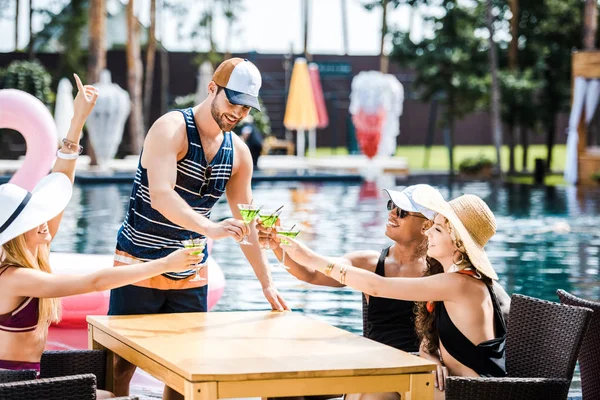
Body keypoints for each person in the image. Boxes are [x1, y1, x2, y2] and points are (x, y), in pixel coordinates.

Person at [0, 75, 204, 400]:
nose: (43, 223)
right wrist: (166, 263)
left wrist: (77, 120)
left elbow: (61, 185)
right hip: (16, 391)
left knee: (114, 393)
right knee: (120, 399)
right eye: (33, 219)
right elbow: (96, 282)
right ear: (14, 235)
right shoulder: (15, 277)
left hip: (33, 380)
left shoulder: (34, 248)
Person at [109, 58, 289, 400]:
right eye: (232, 101)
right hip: (139, 261)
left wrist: (267, 283)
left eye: (246, 107)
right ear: (212, 89)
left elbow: (245, 221)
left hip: (192, 268)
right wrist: (211, 228)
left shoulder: (238, 153)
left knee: (187, 370)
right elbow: (161, 196)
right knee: (120, 365)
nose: (237, 113)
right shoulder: (171, 128)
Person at [274, 186, 507, 400]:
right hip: (446, 384)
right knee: (367, 386)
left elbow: (378, 287)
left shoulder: (457, 284)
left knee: (375, 388)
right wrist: (428, 353)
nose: (429, 235)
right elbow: (437, 334)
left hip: (469, 392)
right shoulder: (457, 282)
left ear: (457, 242)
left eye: (437, 229)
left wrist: (311, 257)